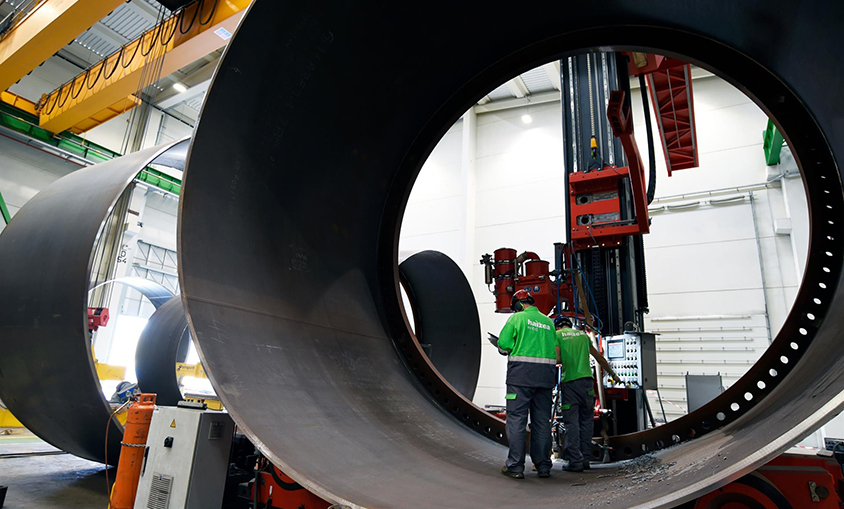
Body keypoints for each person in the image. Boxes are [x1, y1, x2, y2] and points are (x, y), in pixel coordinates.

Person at [492, 289, 558, 479]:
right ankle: (544, 466)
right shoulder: (548, 322)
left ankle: (515, 466)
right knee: (541, 422)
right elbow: (553, 349)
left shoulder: (517, 319)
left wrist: (510, 348)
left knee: (517, 420)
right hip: (545, 378)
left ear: (518, 305)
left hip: (521, 377)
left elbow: (504, 344)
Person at [554, 316, 620, 473]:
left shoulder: (557, 336)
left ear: (558, 327)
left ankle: (574, 461)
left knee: (572, 423)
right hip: (587, 383)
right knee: (586, 422)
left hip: (570, 383)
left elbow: (557, 358)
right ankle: (585, 459)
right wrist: (613, 375)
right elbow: (599, 358)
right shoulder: (583, 336)